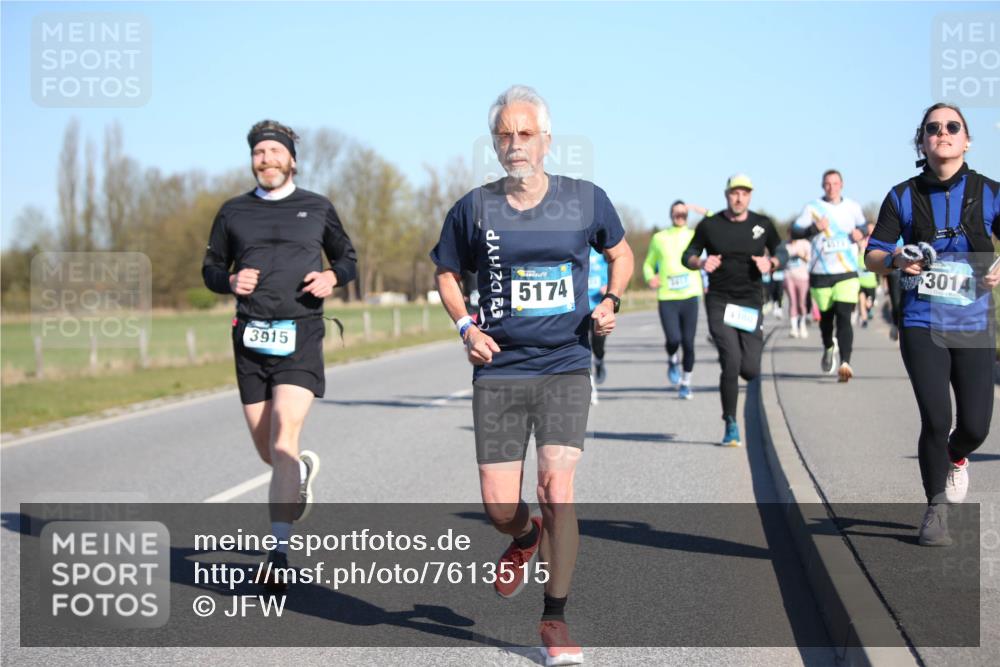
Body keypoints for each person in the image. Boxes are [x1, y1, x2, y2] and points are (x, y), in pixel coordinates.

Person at [430, 85, 634, 666]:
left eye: (525, 134)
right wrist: (466, 327)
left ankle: (555, 620)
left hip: (566, 363)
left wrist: (612, 300)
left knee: (557, 490)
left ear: (546, 140)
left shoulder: (585, 199)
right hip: (498, 369)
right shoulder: (473, 208)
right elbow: (447, 273)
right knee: (499, 505)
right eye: (504, 135)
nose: (514, 144)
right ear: (494, 143)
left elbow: (621, 254)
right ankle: (524, 537)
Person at [202, 120, 357, 588]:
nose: (266, 159)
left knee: (286, 435)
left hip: (302, 333)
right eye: (259, 153)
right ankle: (299, 474)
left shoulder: (317, 207)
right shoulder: (232, 212)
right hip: (249, 337)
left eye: (274, 151)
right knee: (269, 449)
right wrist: (228, 281)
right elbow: (210, 267)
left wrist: (333, 277)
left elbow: (347, 258)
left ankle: (279, 553)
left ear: (291, 159)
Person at [865, 102, 1000, 546]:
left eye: (952, 127)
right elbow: (873, 255)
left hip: (974, 321)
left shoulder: (990, 192)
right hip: (922, 320)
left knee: (976, 426)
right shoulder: (902, 195)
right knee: (936, 416)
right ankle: (935, 509)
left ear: (966, 140)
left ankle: (957, 457)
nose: (942, 133)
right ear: (921, 141)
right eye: (933, 128)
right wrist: (896, 258)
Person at [683, 174, 785, 446]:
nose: (739, 198)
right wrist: (700, 263)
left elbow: (782, 251)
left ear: (750, 196)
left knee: (750, 369)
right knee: (731, 362)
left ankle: (736, 368)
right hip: (719, 299)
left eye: (744, 193)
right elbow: (688, 254)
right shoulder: (710, 225)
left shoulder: (762, 225)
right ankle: (730, 422)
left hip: (750, 301)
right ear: (726, 194)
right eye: (734, 193)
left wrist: (771, 262)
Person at [792, 170, 868, 382]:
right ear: (822, 186)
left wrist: (860, 233)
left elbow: (864, 225)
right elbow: (794, 232)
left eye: (835, 183)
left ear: (841, 185)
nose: (831, 187)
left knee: (844, 317)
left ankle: (845, 363)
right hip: (820, 272)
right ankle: (828, 346)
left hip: (847, 272)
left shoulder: (852, 207)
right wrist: (814, 228)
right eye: (827, 183)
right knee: (826, 320)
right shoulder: (812, 208)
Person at [643, 200, 705, 399]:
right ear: (670, 215)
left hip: (690, 295)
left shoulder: (695, 236)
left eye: (684, 214)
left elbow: (717, 222)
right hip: (667, 296)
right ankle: (671, 358)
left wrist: (700, 210)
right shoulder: (659, 238)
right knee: (673, 339)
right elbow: (648, 264)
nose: (680, 217)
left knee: (688, 342)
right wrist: (649, 277)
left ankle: (686, 382)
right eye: (676, 213)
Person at [588, 247, 609, 405]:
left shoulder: (600, 251)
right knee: (583, 350)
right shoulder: (574, 247)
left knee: (598, 347)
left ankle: (600, 361)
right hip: (579, 307)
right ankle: (591, 389)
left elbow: (614, 265)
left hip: (598, 307)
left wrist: (608, 287)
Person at [784, 229, 812, 338]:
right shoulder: (785, 245)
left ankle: (802, 325)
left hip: (802, 277)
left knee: (801, 302)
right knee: (792, 301)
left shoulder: (805, 244)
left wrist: (801, 255)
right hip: (789, 276)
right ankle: (793, 328)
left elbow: (810, 259)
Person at [856, 223, 878, 328]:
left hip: (870, 282)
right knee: (861, 300)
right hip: (860, 282)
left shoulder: (871, 251)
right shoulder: (855, 252)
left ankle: (869, 310)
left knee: (869, 303)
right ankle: (864, 319)